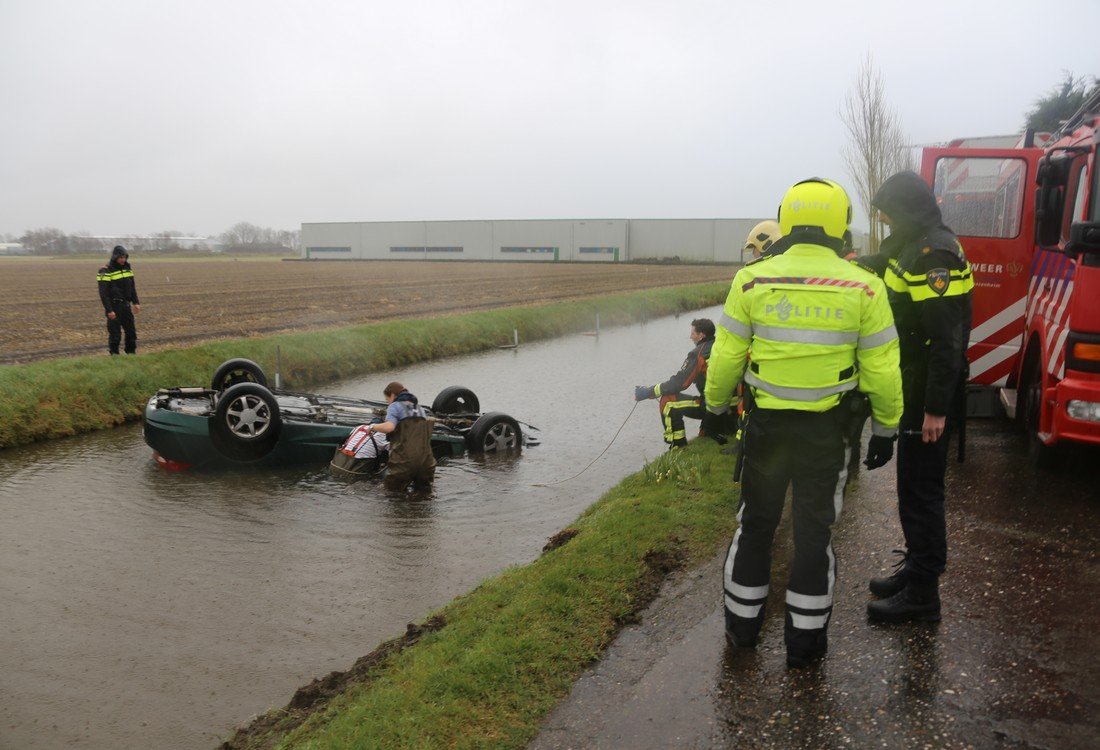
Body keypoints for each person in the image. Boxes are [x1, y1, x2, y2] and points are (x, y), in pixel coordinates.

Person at [704, 177, 903, 668]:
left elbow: (726, 357)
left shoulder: (752, 280)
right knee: (814, 535)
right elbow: (881, 369)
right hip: (827, 434)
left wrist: (714, 410)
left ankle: (742, 632)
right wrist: (885, 428)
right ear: (842, 223)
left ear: (785, 218)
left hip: (767, 431)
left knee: (755, 526)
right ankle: (805, 646)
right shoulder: (864, 285)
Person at [859, 170, 974, 624]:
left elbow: (946, 341)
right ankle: (915, 567)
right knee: (910, 485)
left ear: (905, 209)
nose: (885, 222)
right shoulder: (914, 240)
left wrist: (935, 411)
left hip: (927, 391)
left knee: (922, 492)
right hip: (913, 384)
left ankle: (924, 594)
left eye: (888, 213)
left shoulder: (934, 255)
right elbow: (887, 264)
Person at [633, 318, 717, 448]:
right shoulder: (720, 346)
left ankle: (677, 445)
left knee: (668, 400)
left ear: (701, 335)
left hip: (713, 406)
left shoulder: (698, 354)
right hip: (730, 406)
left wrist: (649, 392)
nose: (690, 337)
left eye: (693, 333)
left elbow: (680, 383)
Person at [369, 381, 436, 491]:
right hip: (427, 461)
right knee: (424, 495)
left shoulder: (394, 406)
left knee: (393, 495)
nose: (388, 403)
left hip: (404, 461)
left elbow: (389, 427)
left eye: (387, 400)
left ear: (392, 395)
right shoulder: (419, 408)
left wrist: (372, 427)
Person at [96, 245, 140, 354]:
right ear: (115, 257)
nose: (123, 260)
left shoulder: (127, 268)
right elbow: (103, 293)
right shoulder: (105, 270)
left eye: (125, 257)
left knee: (131, 332)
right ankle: (115, 357)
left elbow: (132, 287)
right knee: (115, 335)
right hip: (114, 306)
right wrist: (109, 310)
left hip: (126, 305)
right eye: (121, 257)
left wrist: (136, 302)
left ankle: (131, 355)